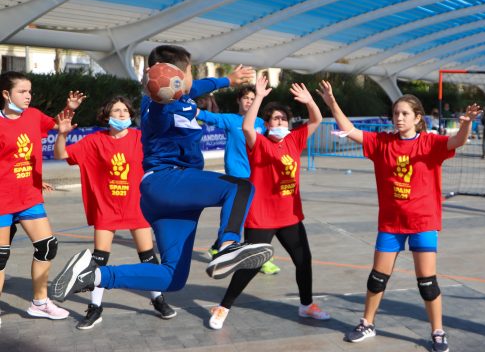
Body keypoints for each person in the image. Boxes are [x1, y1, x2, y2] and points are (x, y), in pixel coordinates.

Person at [50, 45, 273, 303]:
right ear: (171, 77)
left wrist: (228, 80)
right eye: (189, 71)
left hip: (169, 196)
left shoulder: (182, 96)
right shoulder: (157, 105)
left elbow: (197, 87)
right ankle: (228, 246)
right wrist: (152, 87)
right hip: (167, 179)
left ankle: (93, 276)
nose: (192, 79)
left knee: (173, 277)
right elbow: (160, 106)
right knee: (240, 187)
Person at [318, 80, 479, 352]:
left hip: (423, 223)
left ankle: (437, 331)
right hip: (391, 224)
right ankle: (367, 323)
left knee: (427, 282)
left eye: (405, 114)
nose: (399, 118)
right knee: (377, 278)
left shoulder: (430, 143)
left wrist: (466, 124)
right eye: (396, 113)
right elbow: (349, 130)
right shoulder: (382, 142)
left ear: (418, 118)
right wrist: (332, 102)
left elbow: (458, 141)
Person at [209, 79, 329, 329]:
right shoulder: (260, 144)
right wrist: (260, 97)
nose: (279, 122)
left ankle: (306, 305)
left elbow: (316, 120)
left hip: (290, 217)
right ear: (266, 123)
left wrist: (309, 102)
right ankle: (223, 306)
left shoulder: (295, 141)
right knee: (251, 265)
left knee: (303, 260)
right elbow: (247, 127)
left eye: (283, 118)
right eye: (274, 119)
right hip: (262, 216)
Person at [53, 97, 176, 329]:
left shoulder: (141, 138)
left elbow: (166, 151)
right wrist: (62, 134)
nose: (121, 114)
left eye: (125, 110)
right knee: (98, 259)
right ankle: (95, 307)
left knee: (148, 256)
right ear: (106, 115)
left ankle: (157, 298)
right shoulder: (95, 141)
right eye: (116, 110)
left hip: (136, 205)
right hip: (106, 207)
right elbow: (60, 155)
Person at [0, 71, 84, 326]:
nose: (28, 96)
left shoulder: (34, 115)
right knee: (0, 256)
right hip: (3, 199)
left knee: (47, 246)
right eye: (22, 92)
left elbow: (59, 125)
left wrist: (69, 110)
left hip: (29, 196)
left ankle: (39, 302)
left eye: (30, 91)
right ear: (6, 94)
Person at [198, 86, 280, 275]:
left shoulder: (262, 124)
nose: (249, 101)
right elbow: (209, 117)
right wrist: (187, 106)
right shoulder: (230, 120)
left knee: (254, 217)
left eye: (252, 98)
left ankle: (218, 246)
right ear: (238, 100)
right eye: (245, 98)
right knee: (247, 218)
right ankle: (261, 259)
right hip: (237, 177)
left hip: (258, 176)